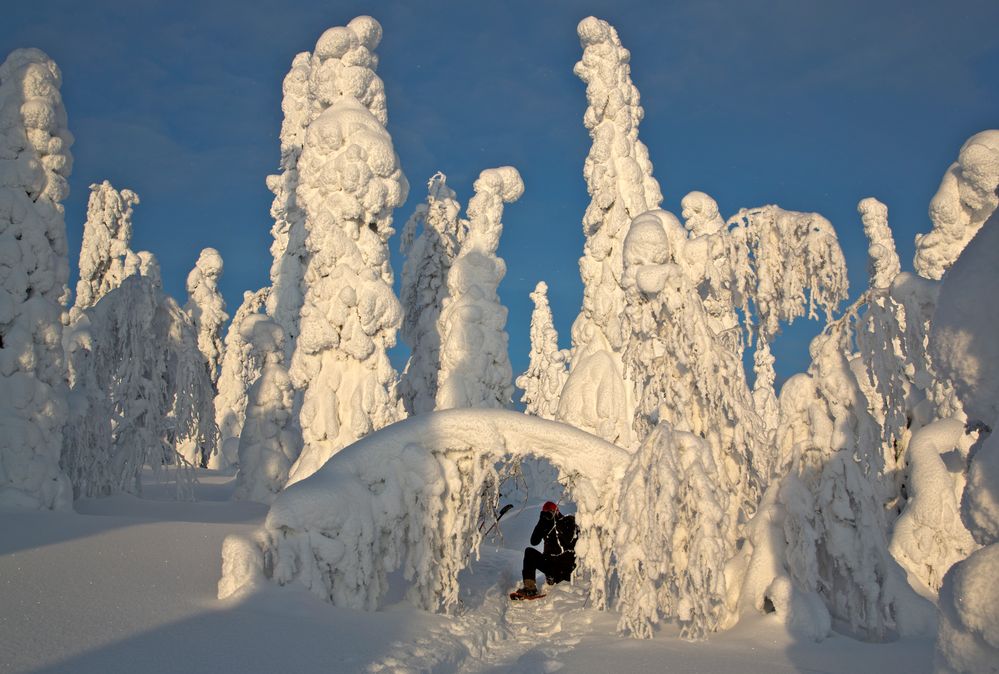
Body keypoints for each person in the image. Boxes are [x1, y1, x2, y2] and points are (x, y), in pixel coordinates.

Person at [512, 501, 579, 599]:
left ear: (556, 511)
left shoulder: (567, 521)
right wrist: (541, 522)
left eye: (551, 511)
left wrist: (557, 522)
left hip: (565, 569)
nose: (548, 514)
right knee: (529, 552)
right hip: (551, 566)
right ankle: (530, 589)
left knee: (563, 560)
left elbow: (569, 541)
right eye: (545, 512)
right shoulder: (545, 525)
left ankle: (555, 578)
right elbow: (534, 541)